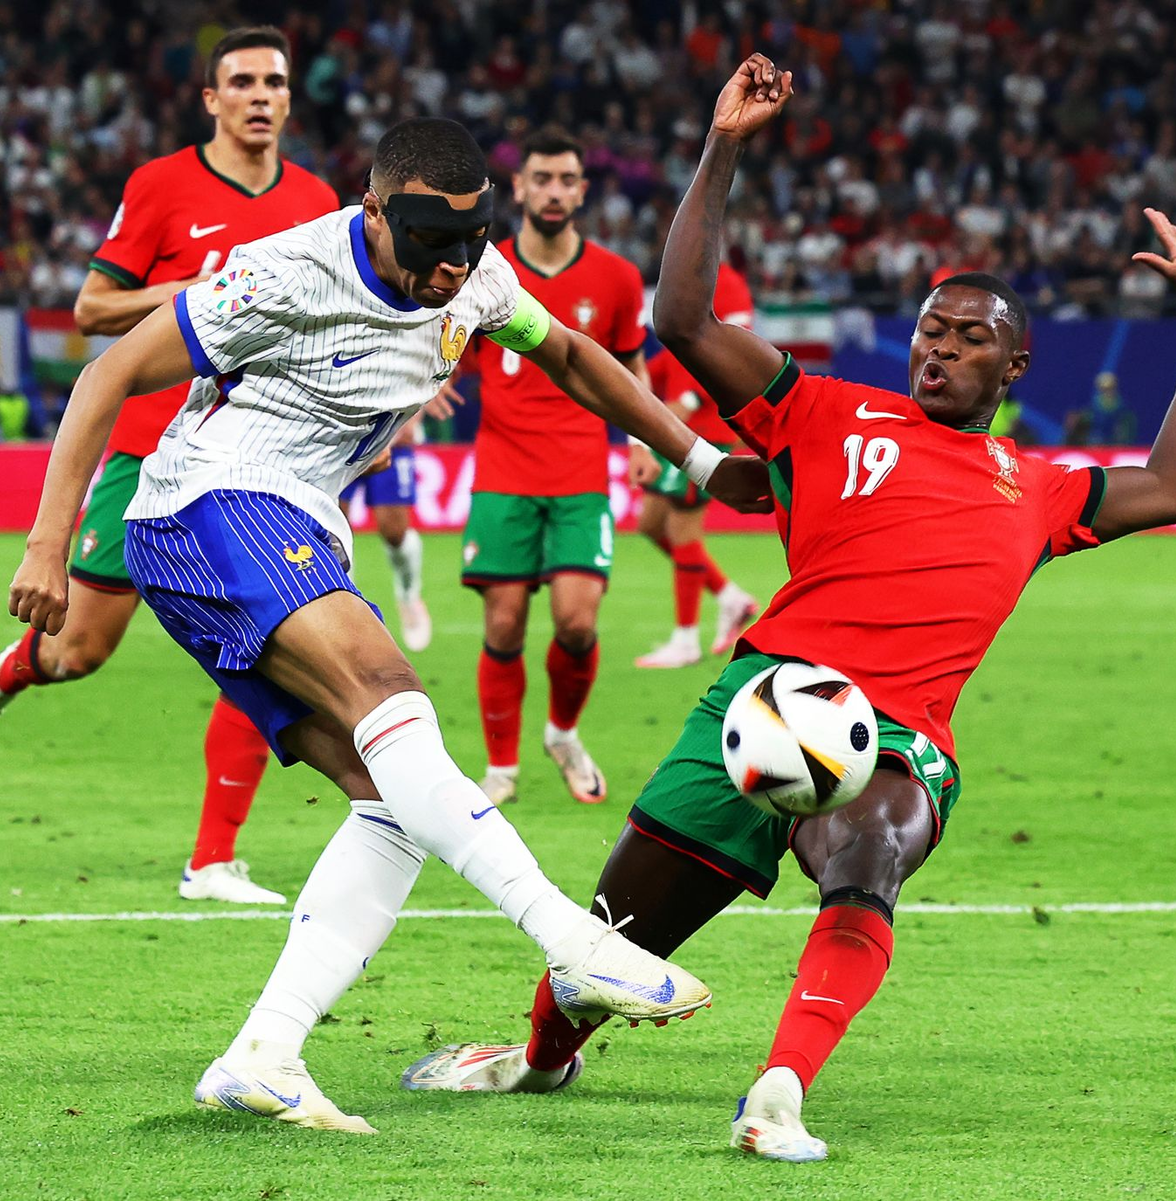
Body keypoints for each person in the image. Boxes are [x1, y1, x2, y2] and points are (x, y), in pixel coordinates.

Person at [397, 56, 1176, 1164]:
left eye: (969, 336)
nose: (939, 345)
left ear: (1015, 362)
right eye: (931, 327)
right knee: (612, 937)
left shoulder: (1043, 484)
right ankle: (539, 1056)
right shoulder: (826, 413)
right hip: (761, 705)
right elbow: (681, 316)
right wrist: (723, 148)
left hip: (896, 730)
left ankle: (778, 1090)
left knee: (867, 848)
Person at [9, 116, 773, 1134]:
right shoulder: (281, 272)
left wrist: (701, 460)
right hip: (209, 501)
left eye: (469, 245)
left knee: (393, 797)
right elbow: (106, 373)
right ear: (374, 213)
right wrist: (47, 544)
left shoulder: (476, 274)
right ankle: (567, 938)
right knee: (392, 695)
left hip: (296, 524)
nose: (451, 270)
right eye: (427, 247)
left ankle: (264, 1052)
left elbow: (578, 356)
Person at [0, 26, 339, 905]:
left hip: (261, 464)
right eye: (243, 82)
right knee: (75, 653)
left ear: (290, 99)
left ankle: (213, 860)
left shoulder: (319, 201)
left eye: (275, 82)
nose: (262, 95)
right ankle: (10, 674)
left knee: (267, 642)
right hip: (149, 450)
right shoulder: (162, 186)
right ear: (212, 100)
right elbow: (91, 307)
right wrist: (205, 287)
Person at [463, 127, 648, 808]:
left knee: (577, 621)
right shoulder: (481, 268)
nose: (553, 191)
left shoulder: (617, 278)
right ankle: (501, 768)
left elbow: (630, 362)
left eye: (566, 179)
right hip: (503, 472)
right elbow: (449, 349)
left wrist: (641, 441)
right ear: (518, 187)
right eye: (541, 178)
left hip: (578, 475)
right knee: (503, 625)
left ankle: (563, 733)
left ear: (582, 190)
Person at [631, 262, 759, 669]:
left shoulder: (727, 284)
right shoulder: (686, 274)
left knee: (683, 527)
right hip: (683, 413)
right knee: (651, 524)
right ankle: (730, 597)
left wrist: (674, 409)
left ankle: (685, 639)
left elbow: (727, 354)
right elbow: (671, 355)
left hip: (707, 426)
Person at [339, 423, 432, 652]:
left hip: (389, 432)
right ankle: (346, 609)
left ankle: (409, 594)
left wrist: (412, 419)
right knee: (335, 530)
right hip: (340, 439)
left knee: (394, 533)